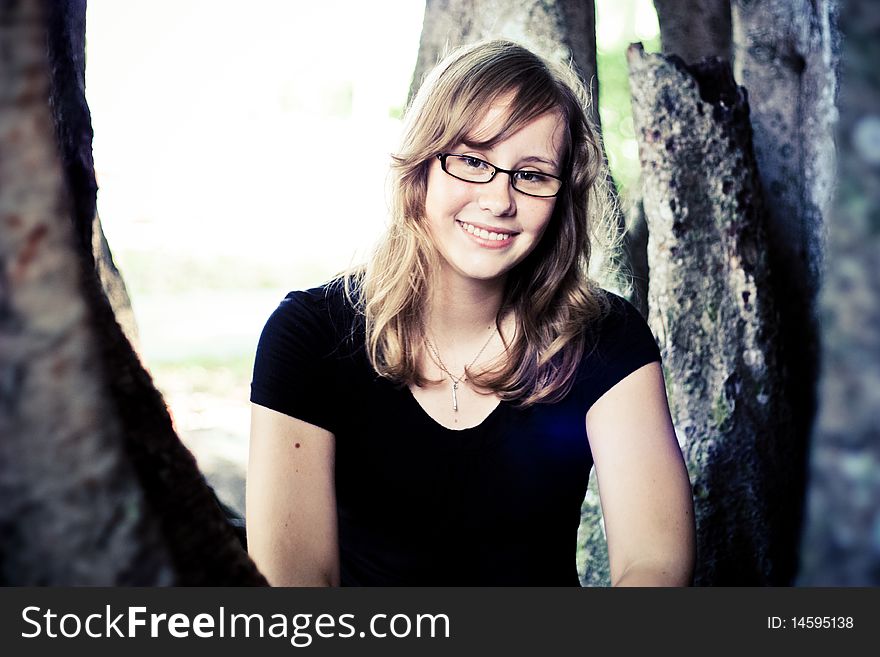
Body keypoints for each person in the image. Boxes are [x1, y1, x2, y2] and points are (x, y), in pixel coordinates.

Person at [246, 40, 695, 586]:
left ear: (562, 198)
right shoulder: (308, 337)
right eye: (473, 161)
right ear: (421, 170)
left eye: (531, 175)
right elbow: (295, 585)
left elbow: (654, 562)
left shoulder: (606, 337)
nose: (499, 200)